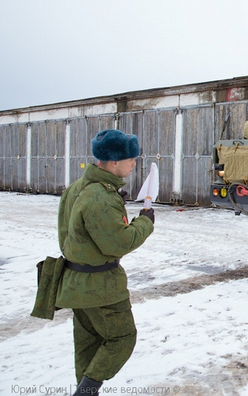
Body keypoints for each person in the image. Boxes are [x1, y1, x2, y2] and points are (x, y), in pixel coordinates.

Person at [56, 129, 155, 396]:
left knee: (88, 344)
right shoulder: (100, 196)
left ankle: (86, 391)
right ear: (113, 162)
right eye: (130, 159)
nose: (134, 163)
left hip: (75, 283)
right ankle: (85, 392)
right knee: (122, 338)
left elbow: (67, 233)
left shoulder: (78, 188)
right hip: (100, 286)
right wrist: (145, 221)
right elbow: (118, 244)